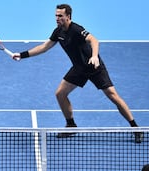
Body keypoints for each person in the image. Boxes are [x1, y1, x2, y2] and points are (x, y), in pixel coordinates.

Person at [12, 4, 143, 143]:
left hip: (94, 67)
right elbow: (44, 47)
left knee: (113, 96)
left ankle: (136, 128)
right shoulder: (58, 32)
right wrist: (22, 55)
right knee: (60, 94)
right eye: (56, 15)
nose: (57, 18)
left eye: (60, 16)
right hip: (79, 69)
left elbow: (94, 40)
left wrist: (94, 56)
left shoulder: (76, 29)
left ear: (68, 16)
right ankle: (71, 125)